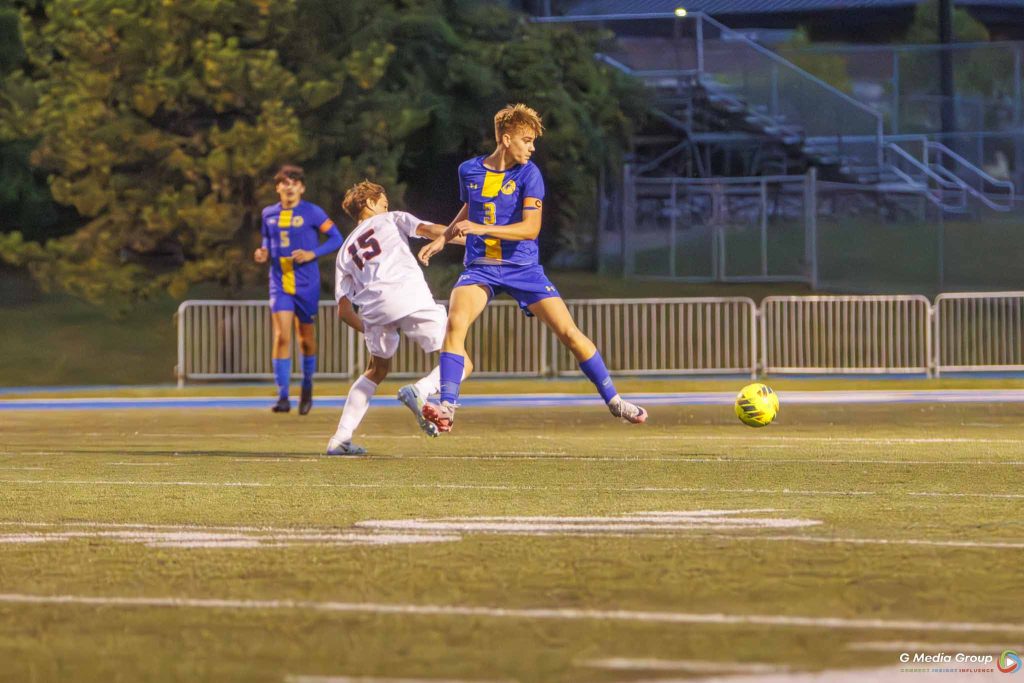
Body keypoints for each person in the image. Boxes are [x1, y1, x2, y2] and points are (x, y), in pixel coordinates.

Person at [418, 103, 647, 432]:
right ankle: (447, 407)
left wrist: (481, 229)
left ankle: (614, 401)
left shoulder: (529, 174)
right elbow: (470, 207)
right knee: (455, 325)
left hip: (523, 268)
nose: (532, 147)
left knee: (569, 334)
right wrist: (445, 237)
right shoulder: (468, 170)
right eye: (527, 140)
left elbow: (530, 229)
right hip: (481, 267)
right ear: (506, 138)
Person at [326, 181, 472, 456]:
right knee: (461, 360)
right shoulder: (392, 220)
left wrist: (370, 327)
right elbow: (431, 231)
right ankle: (421, 390)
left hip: (373, 310)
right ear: (370, 203)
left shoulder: (344, 252)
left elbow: (343, 311)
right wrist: (473, 240)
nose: (387, 205)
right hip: (408, 295)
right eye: (383, 200)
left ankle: (340, 439)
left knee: (376, 370)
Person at [254, 165, 342, 415]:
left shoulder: (312, 212)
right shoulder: (268, 214)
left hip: (306, 282)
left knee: (305, 337)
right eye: (284, 181)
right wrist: (262, 253)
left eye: (294, 181)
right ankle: (282, 396)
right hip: (279, 282)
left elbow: (337, 238)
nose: (289, 185)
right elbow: (266, 243)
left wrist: (312, 253)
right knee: (282, 335)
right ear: (278, 187)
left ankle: (307, 385)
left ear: (301, 187)